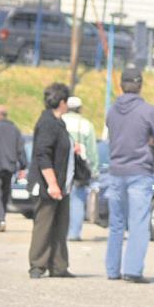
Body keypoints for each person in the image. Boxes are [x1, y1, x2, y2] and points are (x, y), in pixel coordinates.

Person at [106, 66, 154, 284]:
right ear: (140, 85)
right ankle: (132, 270)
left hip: (115, 171)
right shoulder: (149, 111)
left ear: (122, 85)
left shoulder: (112, 110)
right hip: (139, 171)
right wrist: (150, 146)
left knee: (116, 223)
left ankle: (112, 269)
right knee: (138, 223)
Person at [28, 83, 75, 278]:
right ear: (62, 102)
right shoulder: (47, 122)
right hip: (48, 183)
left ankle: (58, 266)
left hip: (61, 184)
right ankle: (37, 265)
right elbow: (42, 154)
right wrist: (52, 184)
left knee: (60, 225)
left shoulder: (59, 123)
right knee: (44, 225)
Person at [62, 96, 99, 241]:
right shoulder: (86, 125)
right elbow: (92, 151)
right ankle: (74, 233)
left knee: (63, 201)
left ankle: (62, 231)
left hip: (62, 167)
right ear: (80, 108)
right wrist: (94, 170)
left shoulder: (60, 121)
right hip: (79, 170)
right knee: (77, 201)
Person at [0, 105, 27, 233]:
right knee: (5, 192)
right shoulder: (14, 130)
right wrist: (23, 166)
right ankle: (0, 219)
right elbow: (21, 149)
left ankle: (0, 219)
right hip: (9, 166)